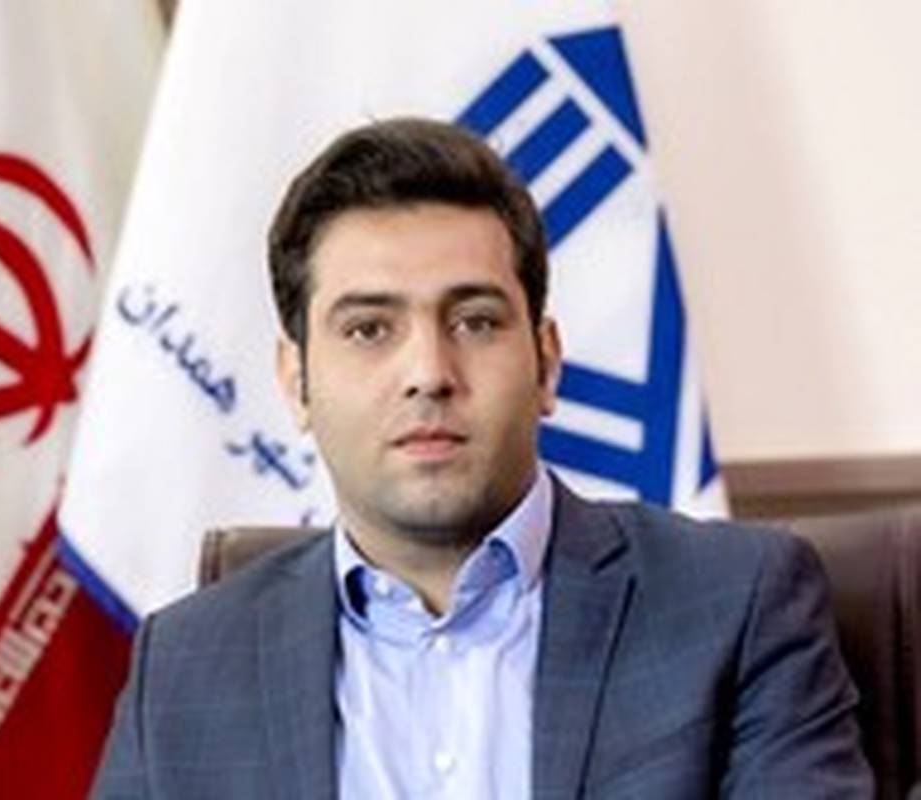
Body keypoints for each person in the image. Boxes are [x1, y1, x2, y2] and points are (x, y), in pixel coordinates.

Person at [90, 117, 872, 798]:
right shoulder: (184, 667)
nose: (428, 372)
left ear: (547, 362)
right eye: (368, 329)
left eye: (474, 321)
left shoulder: (737, 604)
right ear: (296, 381)